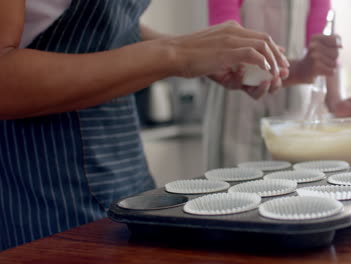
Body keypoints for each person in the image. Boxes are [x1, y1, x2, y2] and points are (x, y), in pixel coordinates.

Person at [0, 0, 288, 250]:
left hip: (127, 175)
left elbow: (116, 29)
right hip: (38, 189)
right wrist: (177, 53)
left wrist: (199, 52)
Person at [203, 0, 351, 170]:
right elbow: (226, 50)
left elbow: (321, 43)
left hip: (295, 111)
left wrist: (335, 101)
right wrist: (301, 70)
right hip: (236, 114)